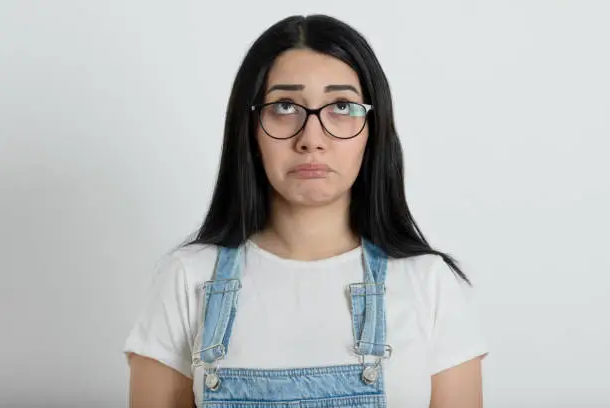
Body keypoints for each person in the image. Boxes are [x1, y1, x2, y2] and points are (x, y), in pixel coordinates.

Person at [123, 14, 489, 408]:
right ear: (250, 127)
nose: (311, 139)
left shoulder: (428, 285)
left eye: (341, 106)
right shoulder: (187, 279)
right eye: (284, 106)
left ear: (373, 128)